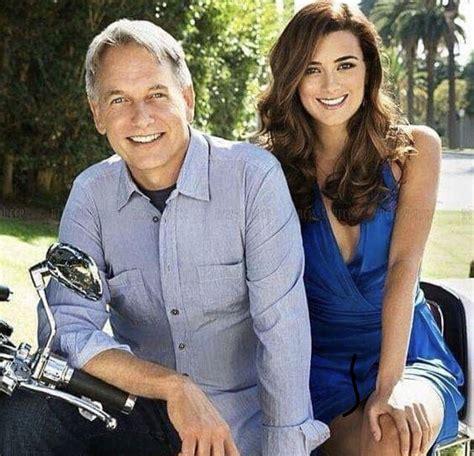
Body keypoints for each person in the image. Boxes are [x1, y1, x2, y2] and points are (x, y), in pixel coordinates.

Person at [0, 19, 330, 456]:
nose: (141, 118)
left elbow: (283, 330)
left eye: (157, 94)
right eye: (119, 99)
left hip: (239, 427)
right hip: (139, 413)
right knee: (23, 415)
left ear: (187, 99)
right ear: (97, 114)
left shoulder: (252, 179)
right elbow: (67, 330)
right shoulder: (91, 195)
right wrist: (173, 386)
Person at [257, 2, 464, 456]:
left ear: (368, 70)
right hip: (314, 366)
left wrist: (390, 386)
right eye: (312, 69)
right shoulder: (266, 167)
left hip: (407, 356)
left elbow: (404, 265)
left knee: (391, 434)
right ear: (292, 77)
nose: (330, 85)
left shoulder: (415, 151)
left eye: (345, 65)